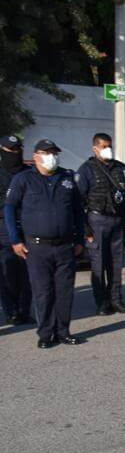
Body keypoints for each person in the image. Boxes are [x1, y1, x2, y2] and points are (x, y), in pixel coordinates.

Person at [4, 139, 86, 348]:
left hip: (65, 246)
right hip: (37, 247)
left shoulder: (67, 179)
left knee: (64, 291)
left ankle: (63, 331)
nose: (52, 156)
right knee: (43, 291)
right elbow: (10, 210)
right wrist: (15, 239)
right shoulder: (23, 179)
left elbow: (78, 211)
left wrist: (79, 239)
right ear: (37, 155)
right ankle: (45, 334)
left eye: (55, 153)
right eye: (47, 152)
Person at [76, 132, 125, 315]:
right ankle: (101, 302)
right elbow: (78, 201)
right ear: (95, 148)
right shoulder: (86, 169)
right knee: (98, 263)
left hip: (117, 221)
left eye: (109, 145)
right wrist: (85, 228)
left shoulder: (121, 168)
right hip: (97, 221)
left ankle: (116, 300)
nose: (107, 149)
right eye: (103, 146)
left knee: (116, 264)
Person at [0, 135, 33, 325]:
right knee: (7, 272)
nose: (16, 153)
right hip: (4, 227)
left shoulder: (28, 172)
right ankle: (11, 310)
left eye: (19, 148)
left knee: (27, 272)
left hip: (27, 225)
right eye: (12, 150)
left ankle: (24, 310)